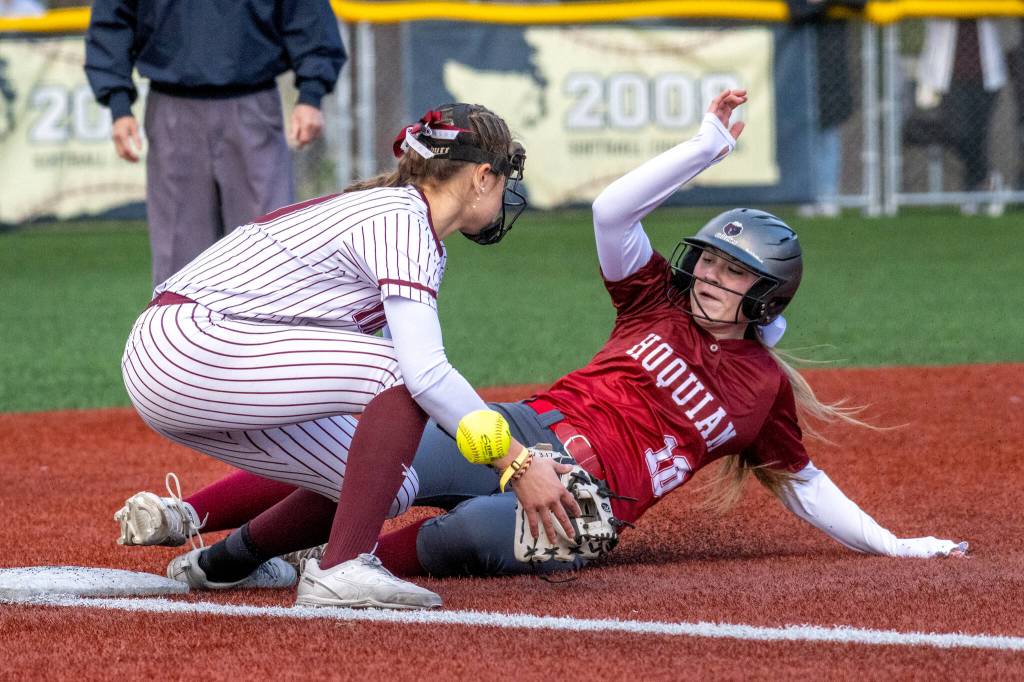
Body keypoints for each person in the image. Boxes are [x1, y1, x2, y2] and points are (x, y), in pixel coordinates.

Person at [117, 91, 967, 588]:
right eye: (706, 259)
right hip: (527, 431)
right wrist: (706, 144)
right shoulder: (654, 303)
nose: (707, 275)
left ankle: (333, 561)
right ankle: (208, 533)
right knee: (380, 450)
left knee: (463, 535)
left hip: (593, 498)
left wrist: (893, 543)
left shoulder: (760, 391)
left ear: (768, 293)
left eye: (732, 272)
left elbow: (806, 484)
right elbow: (611, 211)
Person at [116, 102, 584, 609]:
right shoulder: (401, 218)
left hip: (201, 359)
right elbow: (423, 373)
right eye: (502, 178)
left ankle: (224, 567)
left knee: (393, 485)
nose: (505, 192)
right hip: (188, 344)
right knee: (399, 372)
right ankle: (343, 568)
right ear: (481, 176)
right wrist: (517, 463)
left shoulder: (406, 220)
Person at [84, 0, 346, 287]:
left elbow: (306, 12)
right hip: (173, 104)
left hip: (252, 101)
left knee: (270, 251)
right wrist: (118, 104)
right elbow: (113, 19)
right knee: (179, 262)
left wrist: (311, 94)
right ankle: (181, 332)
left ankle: (267, 332)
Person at [905, 19, 1007, 212]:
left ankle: (972, 191)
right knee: (959, 132)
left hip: (987, 72)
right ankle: (988, 178)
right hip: (949, 74)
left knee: (979, 135)